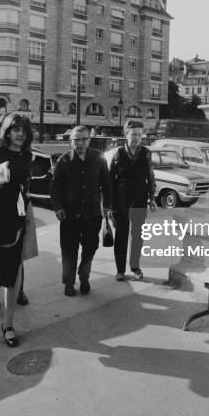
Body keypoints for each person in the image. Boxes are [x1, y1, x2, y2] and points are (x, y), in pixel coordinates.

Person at [0, 113, 36, 347]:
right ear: (8, 131)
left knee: (15, 271)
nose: (20, 133)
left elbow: (25, 185)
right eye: (16, 129)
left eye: (24, 130)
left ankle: (8, 324)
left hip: (18, 220)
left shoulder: (27, 154)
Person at [50, 125, 112, 296]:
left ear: (89, 140)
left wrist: (107, 205)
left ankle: (84, 277)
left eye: (84, 139)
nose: (80, 143)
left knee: (90, 248)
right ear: (70, 141)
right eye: (76, 139)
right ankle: (69, 283)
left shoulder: (99, 158)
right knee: (69, 251)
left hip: (92, 215)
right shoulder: (63, 161)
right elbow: (54, 187)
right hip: (69, 215)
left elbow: (107, 184)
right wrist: (58, 207)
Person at [107, 119, 157, 281]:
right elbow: (109, 180)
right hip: (120, 201)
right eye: (133, 134)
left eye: (139, 135)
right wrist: (108, 205)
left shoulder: (146, 153)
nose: (136, 138)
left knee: (137, 236)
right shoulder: (118, 153)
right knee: (121, 235)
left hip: (139, 200)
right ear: (126, 135)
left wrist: (152, 198)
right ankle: (120, 270)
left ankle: (135, 267)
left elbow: (150, 176)